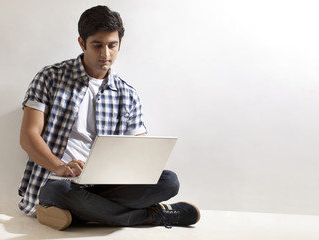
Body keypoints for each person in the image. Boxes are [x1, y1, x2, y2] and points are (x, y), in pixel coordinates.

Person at [18, 5, 200, 230]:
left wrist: (138, 168)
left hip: (105, 186)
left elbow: (140, 152)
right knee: (59, 191)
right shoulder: (50, 78)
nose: (105, 54)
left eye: (112, 45)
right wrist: (59, 167)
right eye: (97, 45)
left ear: (119, 44)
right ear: (82, 43)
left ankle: (77, 215)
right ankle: (155, 216)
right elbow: (28, 136)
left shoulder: (127, 94)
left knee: (168, 181)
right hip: (58, 182)